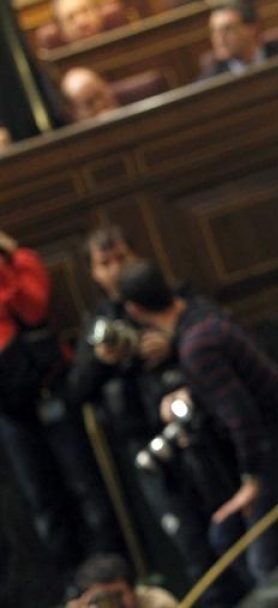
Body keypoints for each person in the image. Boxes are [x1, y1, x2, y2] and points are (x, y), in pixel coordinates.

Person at [118, 260, 278, 582]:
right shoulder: (202, 313)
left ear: (134, 311)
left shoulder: (194, 346)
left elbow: (242, 417)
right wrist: (193, 395)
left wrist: (250, 481)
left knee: (263, 562)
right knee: (227, 536)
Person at [68, 225, 250, 607]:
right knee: (191, 543)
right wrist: (103, 362)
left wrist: (172, 345)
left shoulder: (174, 297)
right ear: (94, 273)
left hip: (200, 432)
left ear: (136, 255)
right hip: (145, 446)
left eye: (121, 258)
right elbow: (75, 391)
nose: (115, 269)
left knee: (232, 525)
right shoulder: (98, 323)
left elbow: (219, 331)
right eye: (105, 263)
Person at [0, 228, 123, 590]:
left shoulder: (21, 261)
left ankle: (114, 575)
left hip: (48, 390)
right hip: (9, 406)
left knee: (85, 485)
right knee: (43, 500)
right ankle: (75, 587)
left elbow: (33, 308)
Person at [196, 0, 278, 81]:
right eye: (215, 31)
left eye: (227, 29)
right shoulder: (210, 81)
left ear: (252, 29)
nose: (219, 38)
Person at [66, 553, 177, 608]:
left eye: (117, 595)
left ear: (132, 589)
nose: (114, 604)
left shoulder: (157, 602)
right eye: (103, 599)